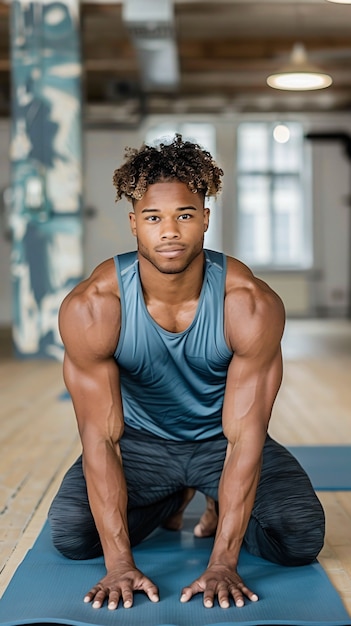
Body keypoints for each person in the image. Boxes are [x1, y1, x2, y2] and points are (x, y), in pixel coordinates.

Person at [48, 134, 325, 611]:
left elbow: (245, 438)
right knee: (73, 535)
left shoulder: (248, 305)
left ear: (205, 221)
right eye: (154, 218)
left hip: (220, 441)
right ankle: (174, 498)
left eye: (185, 215)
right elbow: (100, 438)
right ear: (134, 225)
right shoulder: (93, 308)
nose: (170, 231)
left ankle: (211, 499)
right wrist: (118, 564)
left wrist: (223, 562)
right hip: (139, 443)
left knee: (299, 537)